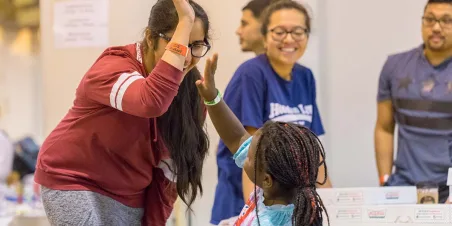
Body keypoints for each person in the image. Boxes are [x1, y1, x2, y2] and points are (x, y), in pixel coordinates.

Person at [34, 0, 213, 225]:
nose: (187, 57)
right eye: (179, 42)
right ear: (150, 37)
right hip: (73, 178)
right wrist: (185, 19)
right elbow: (150, 101)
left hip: (128, 194)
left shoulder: (191, 94)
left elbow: (167, 175)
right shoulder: (114, 66)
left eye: (196, 45)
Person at [211, 1, 332, 225]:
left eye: (297, 31)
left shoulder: (306, 77)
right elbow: (255, 157)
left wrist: (331, 207)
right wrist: (258, 214)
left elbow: (314, 154)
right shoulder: (252, 74)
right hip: (247, 204)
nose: (288, 39)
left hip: (286, 210)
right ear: (265, 36)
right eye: (279, 32)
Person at [196, 52, 329, 226]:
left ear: (266, 180)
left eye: (249, 157)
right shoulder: (273, 193)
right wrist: (212, 98)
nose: (244, 154)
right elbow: (236, 137)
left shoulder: (269, 222)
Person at [374, 0, 452, 204]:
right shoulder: (394, 66)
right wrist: (384, 180)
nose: (436, 27)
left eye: (446, 21)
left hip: (449, 187)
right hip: (404, 185)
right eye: (430, 19)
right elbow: (384, 128)